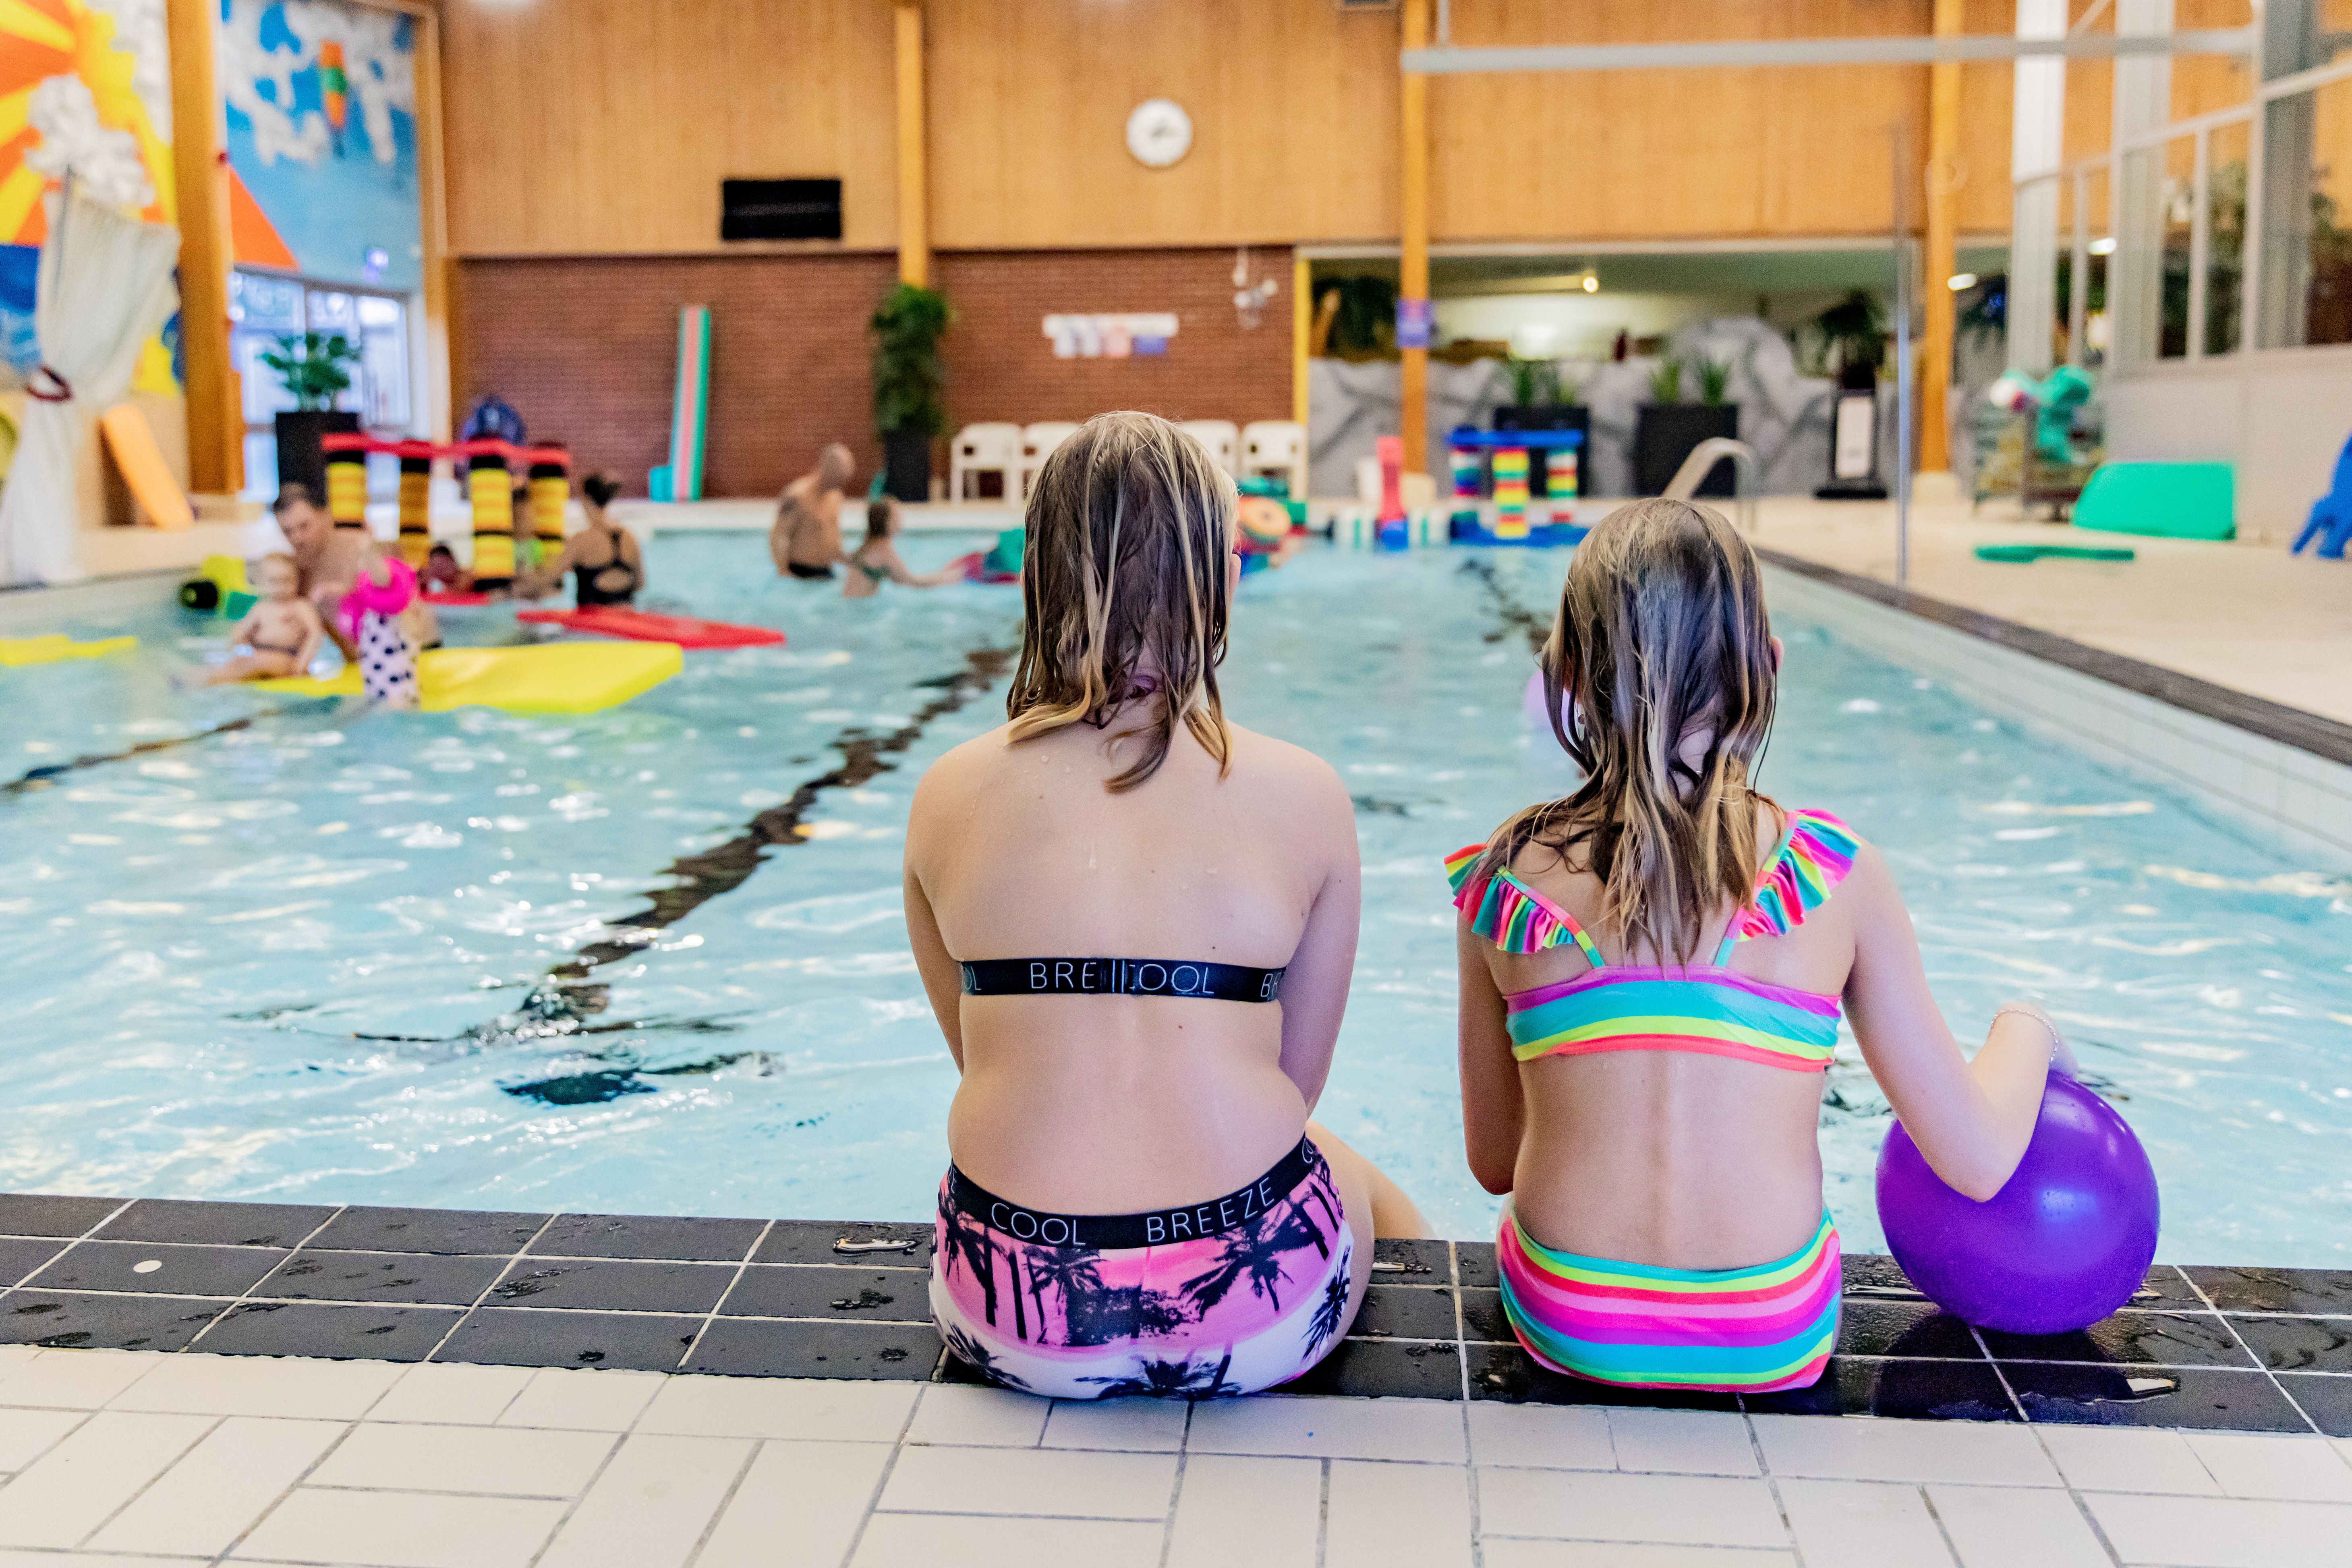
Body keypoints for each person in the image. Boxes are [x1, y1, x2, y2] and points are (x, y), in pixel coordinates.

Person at [1451, 498, 2078, 1396]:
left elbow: (1495, 1161)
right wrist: (2029, 1026)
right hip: (1768, 1329)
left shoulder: (1502, 880)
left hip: (1570, 1318)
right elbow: (1976, 1160)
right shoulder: (1833, 874)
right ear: (1767, 670)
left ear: (1564, 678)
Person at [904, 412, 1426, 1401]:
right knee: (1365, 1180)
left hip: (1009, 1317)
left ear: (1033, 575)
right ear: (1226, 577)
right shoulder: (1304, 793)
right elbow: (1296, 1086)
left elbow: (987, 1056)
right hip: (1257, 1319)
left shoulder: (945, 794)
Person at [275, 485, 439, 656]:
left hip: (414, 648)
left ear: (325, 517)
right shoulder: (294, 573)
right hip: (364, 660)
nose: (297, 538)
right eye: (288, 531)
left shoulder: (357, 546)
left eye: (304, 526)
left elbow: (396, 594)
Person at [518, 473, 642, 605]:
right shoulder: (628, 537)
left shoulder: (580, 541)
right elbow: (640, 584)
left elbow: (548, 580)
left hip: (591, 623)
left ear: (585, 500)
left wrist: (520, 579)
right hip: (627, 616)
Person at [203, 553, 323, 684]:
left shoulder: (300, 606)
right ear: (264, 583)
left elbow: (315, 634)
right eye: (274, 582)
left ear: (297, 580)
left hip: (286, 658)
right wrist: (239, 641)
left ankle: (212, 679)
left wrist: (302, 663)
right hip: (258, 656)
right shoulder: (260, 608)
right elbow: (241, 631)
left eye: (287, 581)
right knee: (235, 665)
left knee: (254, 665)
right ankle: (206, 676)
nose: (281, 587)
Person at [843, 498, 965, 599]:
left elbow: (897, 578)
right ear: (888, 523)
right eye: (897, 517)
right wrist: (946, 578)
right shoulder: (885, 552)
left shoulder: (868, 543)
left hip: (849, 602)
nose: (901, 521)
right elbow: (912, 582)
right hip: (859, 609)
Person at [770, 443, 855, 579]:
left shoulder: (836, 496)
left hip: (826, 572)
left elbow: (834, 537)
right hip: (800, 573)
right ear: (827, 468)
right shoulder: (797, 495)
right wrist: (783, 571)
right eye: (839, 477)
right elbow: (778, 535)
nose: (842, 483)